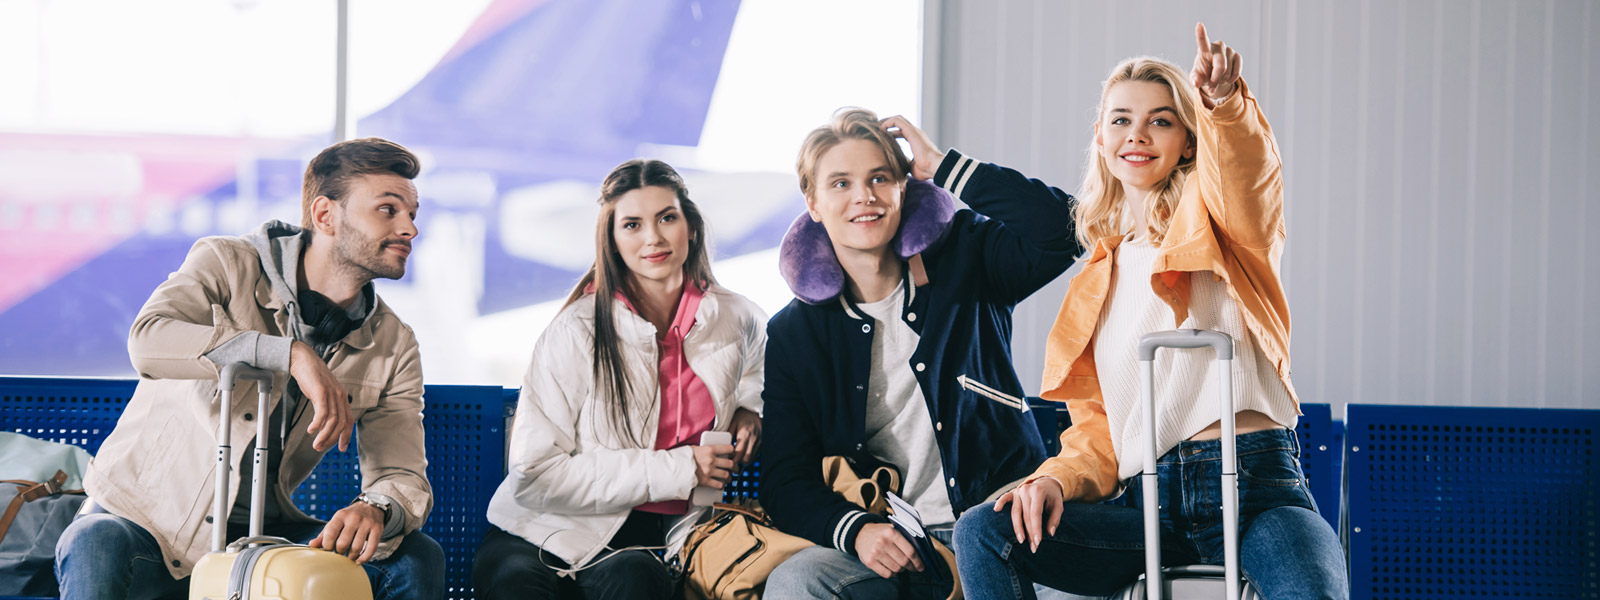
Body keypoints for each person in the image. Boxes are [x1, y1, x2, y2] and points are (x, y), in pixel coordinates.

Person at [953, 24, 1349, 599]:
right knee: (984, 529)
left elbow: (1246, 175)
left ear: (1190, 140)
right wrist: (1052, 480)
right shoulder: (1098, 277)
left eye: (1160, 120)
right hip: (1144, 505)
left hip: (1257, 491)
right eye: (1121, 120)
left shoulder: (1227, 231)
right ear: (1100, 137)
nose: (1137, 134)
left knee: (1313, 590)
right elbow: (1098, 433)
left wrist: (1223, 104)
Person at [55, 137, 445, 599]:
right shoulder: (224, 263)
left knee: (415, 558)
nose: (409, 229)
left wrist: (376, 507)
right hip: (144, 530)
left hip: (257, 540)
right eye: (389, 209)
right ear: (325, 216)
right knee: (94, 541)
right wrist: (289, 354)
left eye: (412, 214)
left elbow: (400, 470)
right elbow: (149, 340)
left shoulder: (392, 343)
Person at [759, 108, 1082, 599]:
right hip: (893, 542)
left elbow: (1065, 226)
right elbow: (785, 478)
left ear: (903, 188)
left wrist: (945, 166)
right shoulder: (793, 333)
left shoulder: (965, 259)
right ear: (814, 203)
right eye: (841, 184)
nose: (864, 196)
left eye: (879, 178)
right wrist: (856, 530)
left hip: (1001, 520)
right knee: (796, 581)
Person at [474, 159, 767, 600]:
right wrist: (683, 467)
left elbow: (762, 374)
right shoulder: (576, 331)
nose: (653, 237)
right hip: (543, 533)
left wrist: (752, 409)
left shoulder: (737, 317)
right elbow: (534, 476)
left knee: (637, 583)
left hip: (654, 542)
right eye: (632, 224)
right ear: (612, 241)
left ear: (691, 227)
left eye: (667, 218)